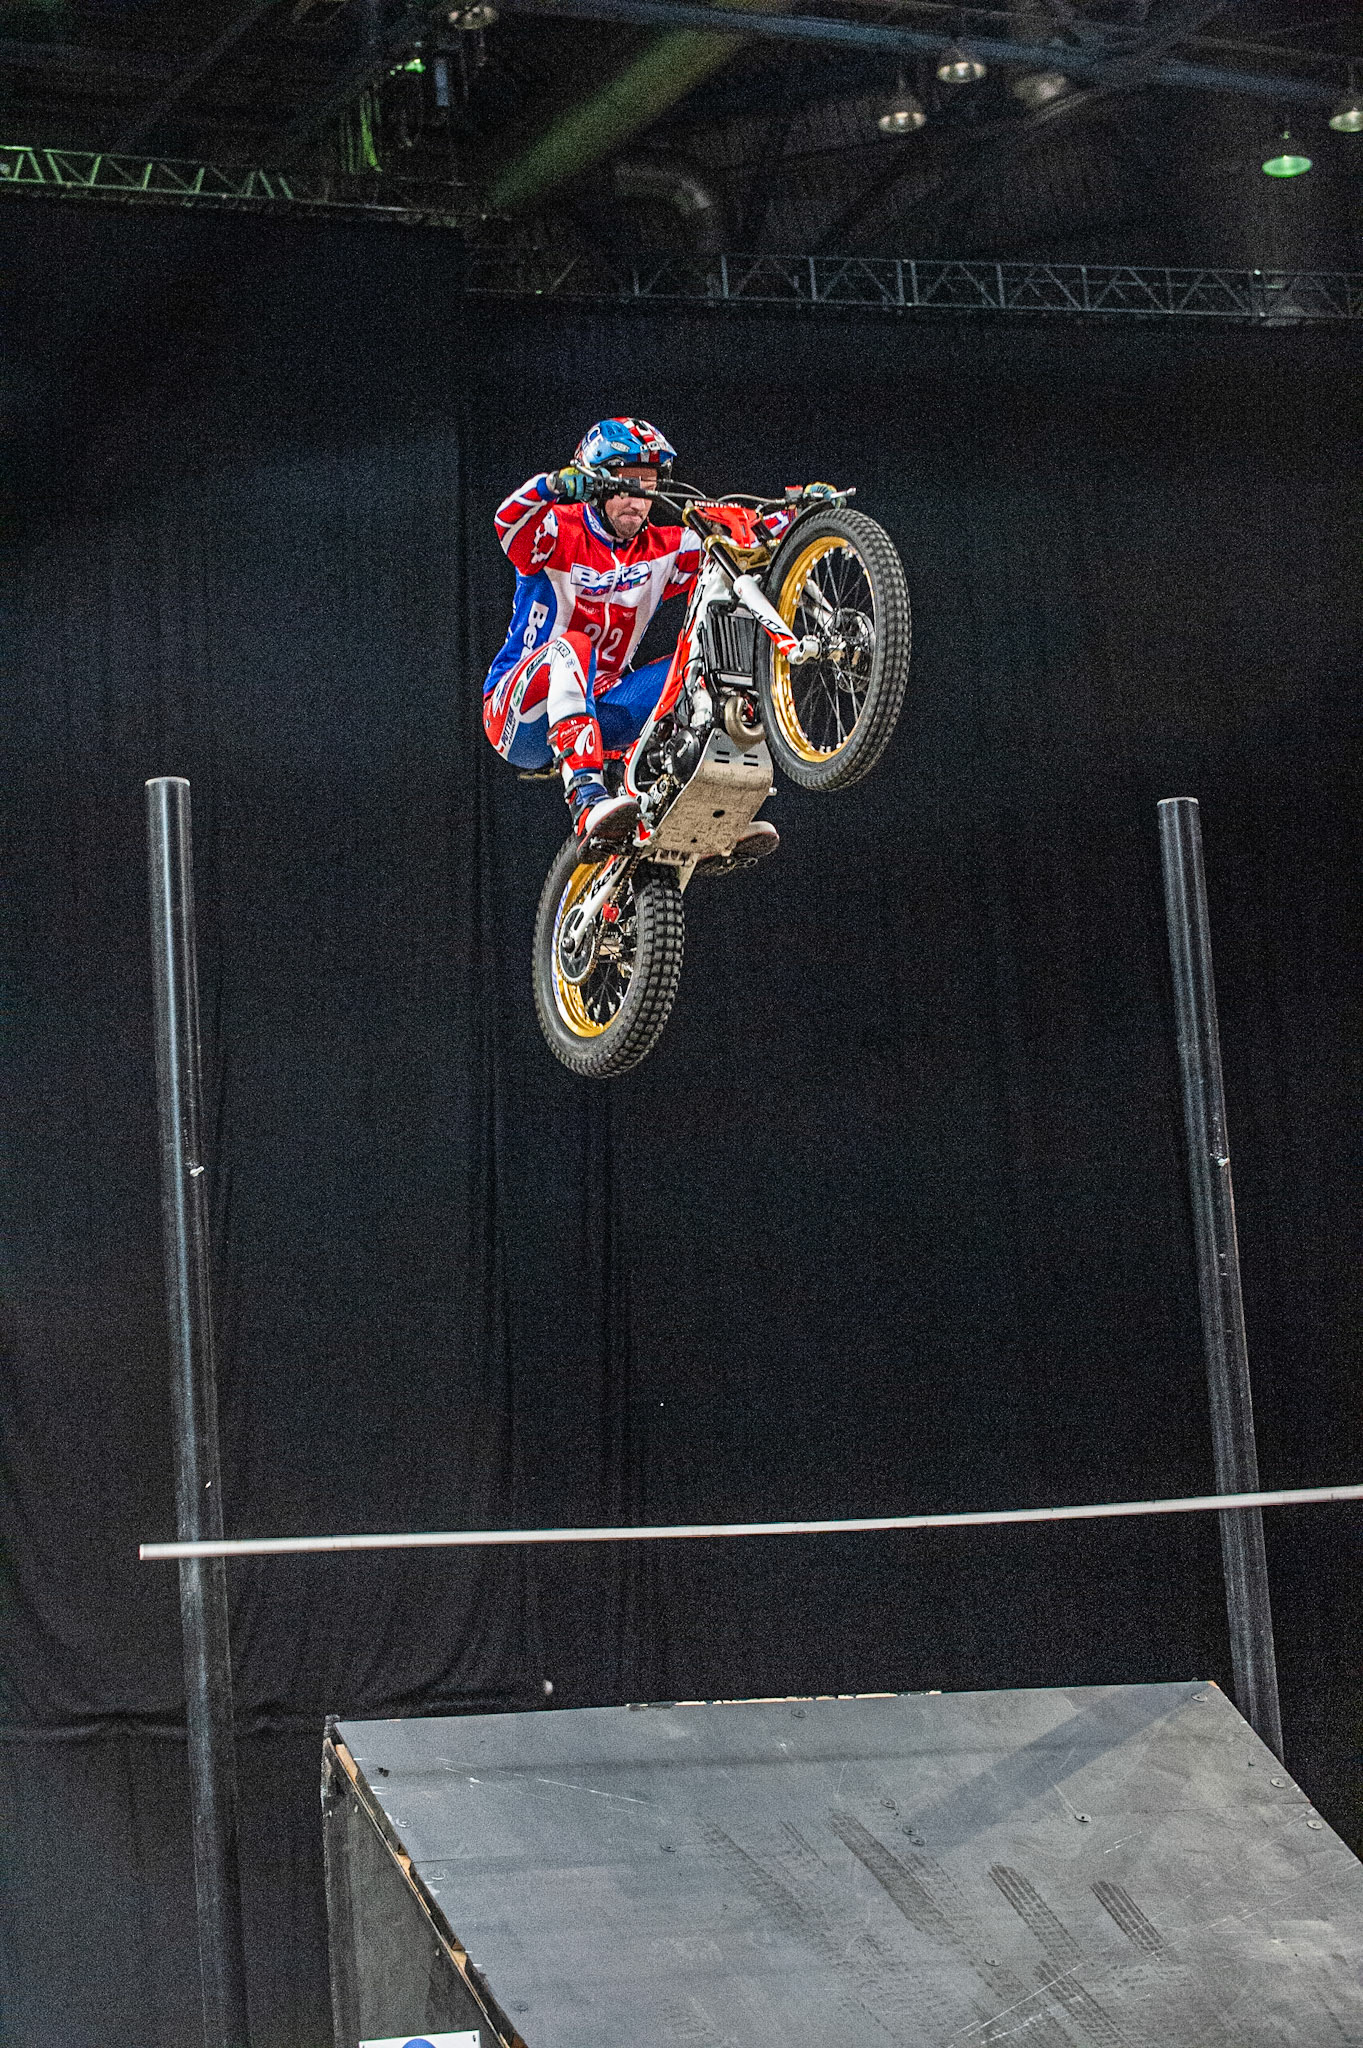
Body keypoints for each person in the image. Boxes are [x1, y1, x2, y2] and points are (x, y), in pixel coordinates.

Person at [482, 415, 835, 853]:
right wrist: (553, 486)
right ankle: (587, 799)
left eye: (648, 483)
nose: (639, 498)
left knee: (704, 668)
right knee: (572, 647)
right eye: (628, 481)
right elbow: (505, 522)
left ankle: (711, 812)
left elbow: (742, 542)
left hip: (605, 705)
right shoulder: (557, 530)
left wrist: (799, 514)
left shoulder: (664, 548)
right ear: (597, 481)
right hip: (518, 712)